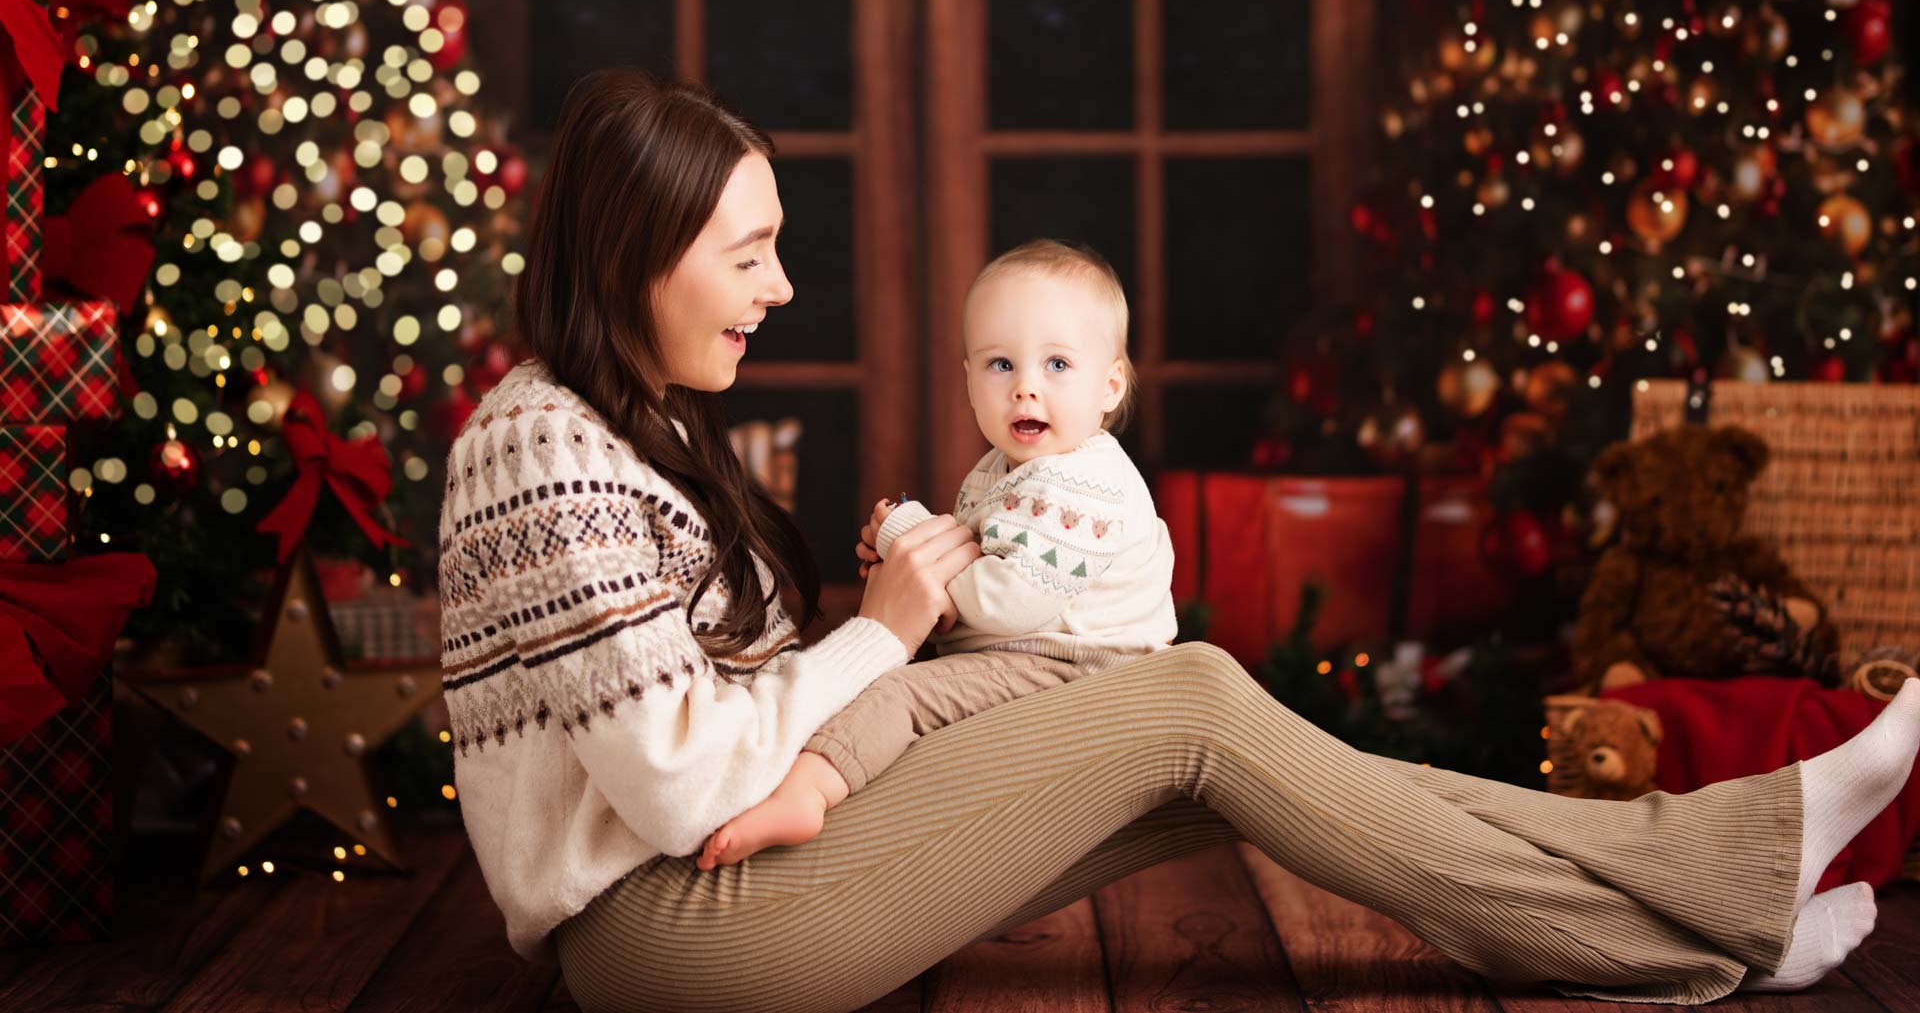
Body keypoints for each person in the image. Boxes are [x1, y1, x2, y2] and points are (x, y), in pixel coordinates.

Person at [438, 68, 1920, 1013]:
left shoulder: (628, 419)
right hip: (676, 936)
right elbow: (689, 773)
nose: (780, 286)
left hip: (733, 878)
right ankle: (1730, 875)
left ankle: (1708, 908)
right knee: (1202, 698)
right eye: (747, 251)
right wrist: (884, 629)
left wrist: (885, 649)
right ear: (638, 253)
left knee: (1241, 763)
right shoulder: (538, 447)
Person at [696, 240, 1178, 869]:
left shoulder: (1083, 485)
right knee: (872, 670)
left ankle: (807, 794)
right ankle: (825, 785)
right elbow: (979, 557)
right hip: (1037, 653)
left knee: (900, 696)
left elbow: (1011, 600)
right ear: (969, 379)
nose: (1026, 389)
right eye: (1001, 364)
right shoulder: (1010, 467)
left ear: (1111, 384)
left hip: (1086, 673)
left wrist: (914, 546)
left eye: (1057, 365)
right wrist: (911, 563)